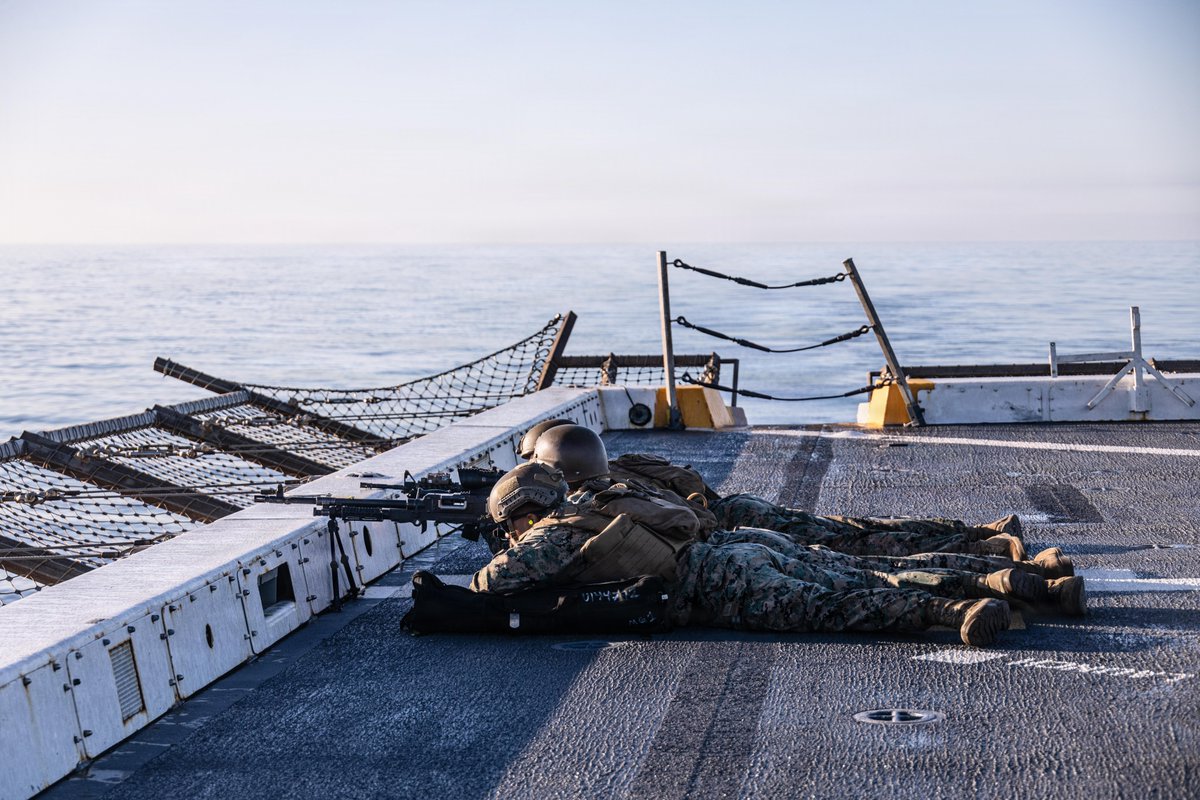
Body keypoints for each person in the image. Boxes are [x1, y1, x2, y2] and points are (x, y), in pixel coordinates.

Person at [473, 463, 1087, 647]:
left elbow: (490, 584)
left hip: (722, 580)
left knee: (839, 605)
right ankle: (1026, 579)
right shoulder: (601, 497)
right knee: (869, 567)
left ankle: (956, 614)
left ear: (522, 513)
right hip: (738, 545)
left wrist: (504, 549)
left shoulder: (550, 535)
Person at [524, 422, 1072, 576]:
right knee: (853, 533)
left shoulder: (588, 495)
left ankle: (991, 550)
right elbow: (685, 477)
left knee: (860, 553)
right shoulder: (619, 467)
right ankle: (985, 539)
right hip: (729, 512)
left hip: (724, 530)